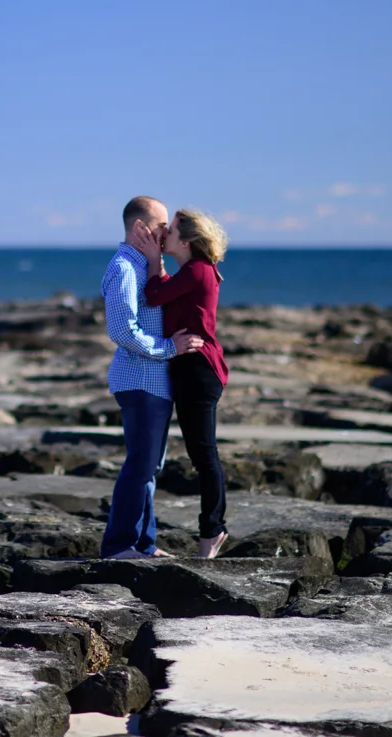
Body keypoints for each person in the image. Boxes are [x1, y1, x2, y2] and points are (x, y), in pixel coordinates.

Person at [99, 196, 204, 560]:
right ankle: (118, 546)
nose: (167, 232)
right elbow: (122, 330)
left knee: (150, 467)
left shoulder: (143, 266)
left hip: (155, 384)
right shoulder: (124, 268)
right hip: (139, 380)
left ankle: (144, 544)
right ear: (140, 228)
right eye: (161, 226)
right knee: (140, 465)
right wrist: (168, 348)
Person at [132, 208, 230, 559]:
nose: (163, 234)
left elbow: (154, 295)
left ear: (185, 241)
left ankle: (213, 531)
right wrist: (158, 262)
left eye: (169, 230)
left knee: (204, 456)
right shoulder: (191, 271)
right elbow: (164, 294)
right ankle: (212, 528)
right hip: (190, 370)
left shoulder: (197, 271)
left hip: (198, 371)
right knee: (201, 455)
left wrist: (154, 260)